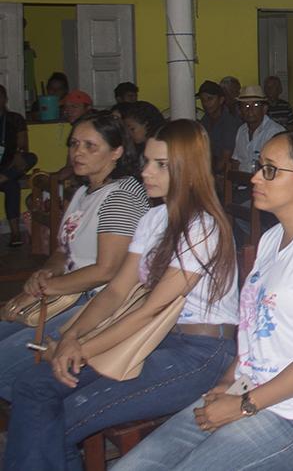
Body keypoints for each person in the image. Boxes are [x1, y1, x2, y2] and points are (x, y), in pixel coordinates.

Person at [115, 132, 293, 471]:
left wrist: (245, 405)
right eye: (260, 166)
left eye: (271, 171)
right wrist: (226, 384)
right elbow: (253, 330)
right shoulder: (272, 238)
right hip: (249, 391)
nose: (256, 177)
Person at [5, 120, 238, 471]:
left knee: (60, 419)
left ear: (188, 170)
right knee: (33, 384)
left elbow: (151, 309)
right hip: (153, 340)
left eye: (161, 165)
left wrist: (80, 349)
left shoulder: (202, 227)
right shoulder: (153, 219)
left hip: (198, 354)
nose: (146, 172)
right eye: (146, 161)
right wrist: (70, 337)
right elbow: (116, 291)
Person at [0, 112, 149, 399]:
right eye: (74, 144)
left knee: (7, 363)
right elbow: (63, 250)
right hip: (67, 293)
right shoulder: (84, 191)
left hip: (98, 303)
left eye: (90, 146)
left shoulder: (121, 196)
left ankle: (44, 412)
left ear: (116, 151)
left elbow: (108, 270)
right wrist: (46, 273)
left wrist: (46, 288)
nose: (77, 152)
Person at [0, 84, 37, 246]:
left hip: (9, 167)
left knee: (30, 158)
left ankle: (15, 233)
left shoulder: (14, 118)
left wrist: (17, 153)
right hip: (7, 175)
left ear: (5, 99)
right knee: (12, 184)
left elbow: (23, 146)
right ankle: (15, 233)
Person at [230, 85, 285, 174]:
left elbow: (279, 167)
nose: (250, 110)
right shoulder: (241, 130)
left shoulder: (275, 132)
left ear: (264, 109)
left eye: (255, 105)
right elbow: (236, 161)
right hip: (241, 183)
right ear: (240, 110)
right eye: (246, 106)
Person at [197, 80, 241, 176]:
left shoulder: (229, 122)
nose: (205, 103)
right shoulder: (205, 120)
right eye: (203, 100)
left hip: (224, 175)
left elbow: (225, 159)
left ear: (221, 100)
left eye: (210, 99)